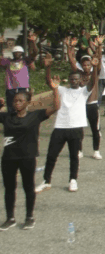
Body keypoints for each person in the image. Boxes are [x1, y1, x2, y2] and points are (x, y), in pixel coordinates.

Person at [1, 77, 60, 229]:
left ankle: (29, 217)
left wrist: (55, 90)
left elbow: (56, 107)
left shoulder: (35, 116)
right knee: (9, 188)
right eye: (15, 101)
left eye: (20, 101)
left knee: (28, 187)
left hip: (27, 157)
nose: (17, 103)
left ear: (28, 103)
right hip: (8, 158)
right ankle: (10, 218)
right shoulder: (6, 117)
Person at [36, 54, 89, 193]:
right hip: (60, 127)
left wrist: (95, 68)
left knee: (74, 156)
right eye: (71, 79)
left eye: (76, 79)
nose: (74, 81)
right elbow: (50, 83)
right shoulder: (63, 90)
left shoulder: (84, 92)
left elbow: (94, 82)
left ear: (80, 80)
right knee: (51, 155)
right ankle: (46, 181)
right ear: (69, 80)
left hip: (76, 128)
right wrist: (48, 68)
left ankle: (73, 180)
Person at [2, 36, 37, 114]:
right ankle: (11, 120)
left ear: (22, 53)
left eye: (19, 52)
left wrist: (33, 42)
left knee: (22, 107)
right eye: (15, 52)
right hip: (10, 88)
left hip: (22, 88)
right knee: (11, 108)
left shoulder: (25, 61)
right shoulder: (8, 62)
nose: (17, 54)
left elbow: (35, 53)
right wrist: (1, 44)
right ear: (13, 53)